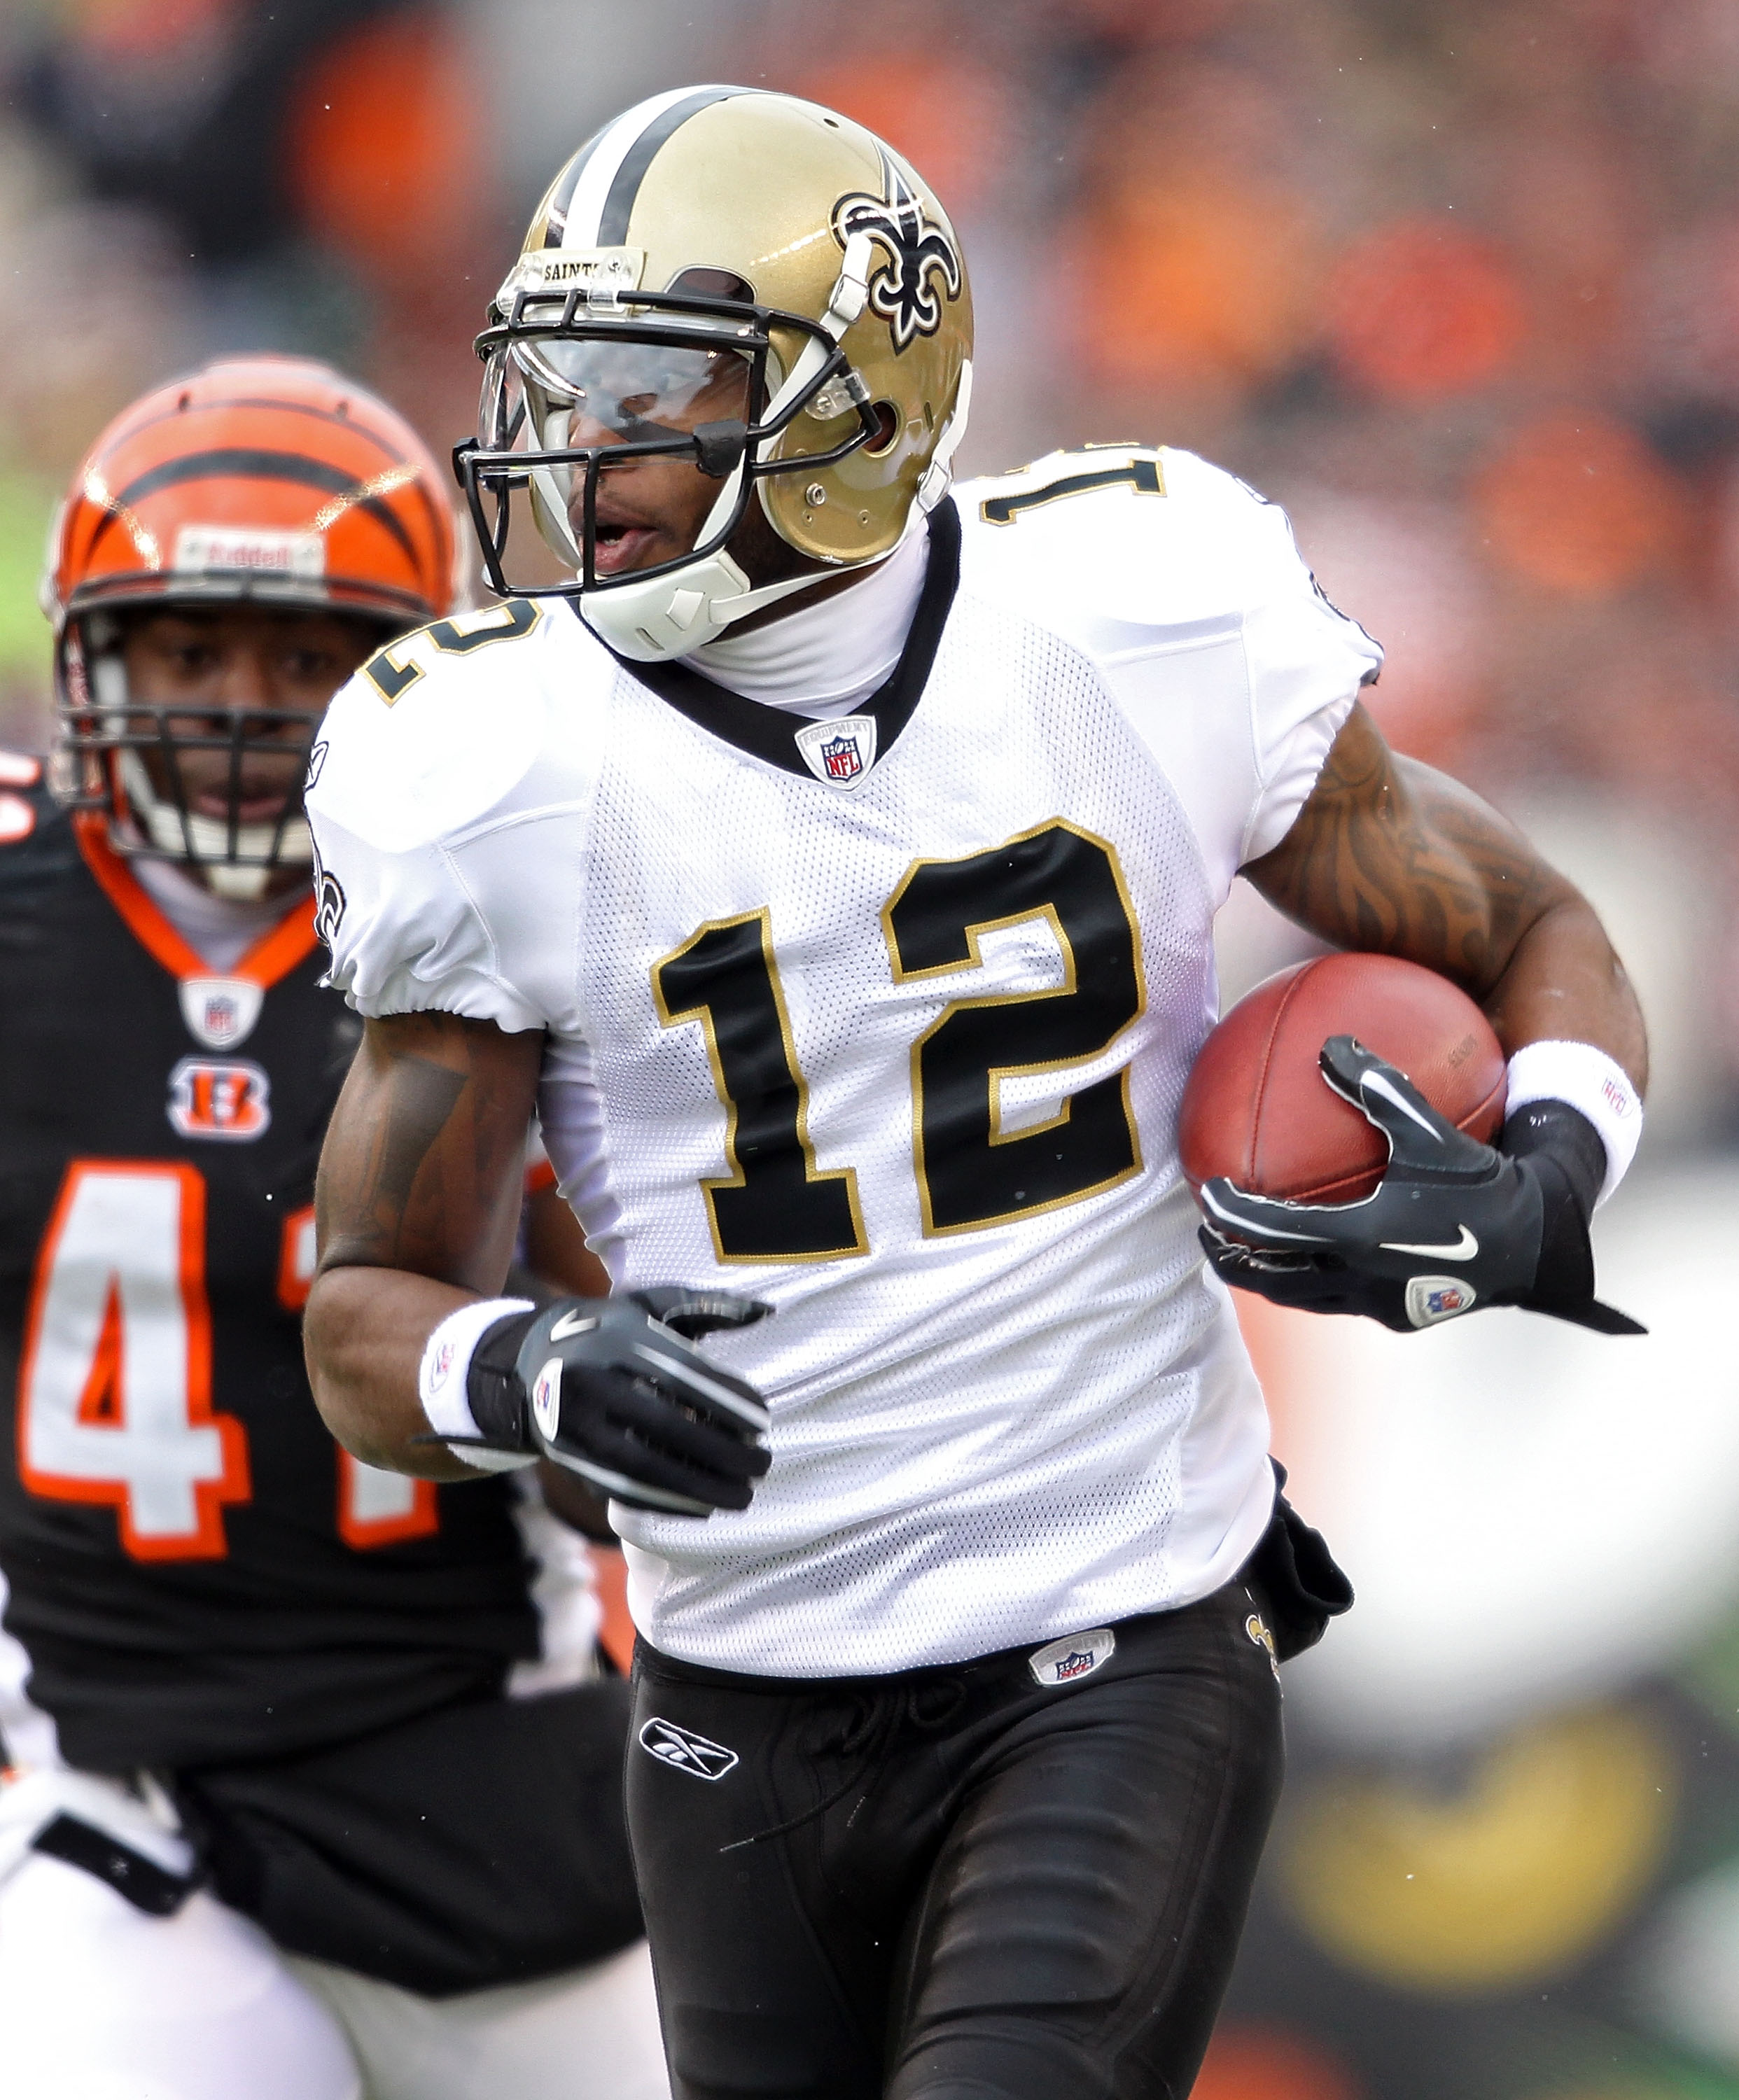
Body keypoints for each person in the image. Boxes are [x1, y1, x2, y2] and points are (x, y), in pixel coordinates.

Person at [300, 88, 1648, 2100]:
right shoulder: (484, 768)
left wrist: (1548, 1160)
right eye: (564, 385)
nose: (585, 453)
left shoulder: (1135, 611)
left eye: (653, 393)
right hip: (736, 1694)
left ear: (852, 401)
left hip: (1114, 1632)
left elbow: (1530, 924)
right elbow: (360, 1313)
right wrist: (524, 1370)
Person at [0, 356, 669, 2100]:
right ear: (91, 656)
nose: (239, 706)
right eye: (191, 650)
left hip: (480, 1779)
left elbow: (634, 1390)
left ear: (410, 671)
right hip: (124, 1788)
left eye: (306, 658)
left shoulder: (518, 920)